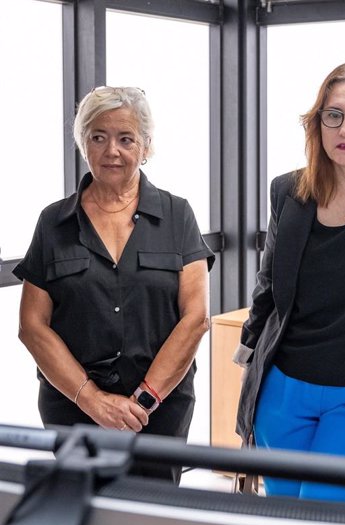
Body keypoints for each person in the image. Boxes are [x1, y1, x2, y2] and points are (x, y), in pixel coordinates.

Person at [14, 86, 214, 484]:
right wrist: (93, 400)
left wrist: (142, 400)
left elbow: (196, 318)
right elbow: (32, 327)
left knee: (153, 517)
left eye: (126, 139)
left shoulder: (178, 214)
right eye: (98, 137)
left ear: (146, 146)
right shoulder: (53, 222)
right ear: (82, 144)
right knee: (84, 513)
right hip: (73, 409)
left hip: (158, 410)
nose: (112, 151)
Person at [233, 61, 345, 503]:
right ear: (318, 123)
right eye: (333, 115)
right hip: (283, 391)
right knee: (287, 516)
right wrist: (249, 354)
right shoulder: (289, 191)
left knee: (327, 516)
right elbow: (269, 283)